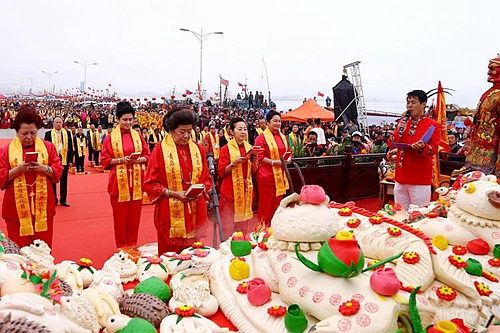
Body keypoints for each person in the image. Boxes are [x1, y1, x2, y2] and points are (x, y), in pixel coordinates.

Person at [143, 108, 211, 254]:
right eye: (182, 132)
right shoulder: (160, 150)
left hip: (194, 209)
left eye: (189, 131)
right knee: (170, 257)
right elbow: (150, 183)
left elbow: (206, 178)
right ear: (171, 130)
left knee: (194, 254)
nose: (186, 136)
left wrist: (201, 190)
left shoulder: (198, 149)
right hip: (169, 210)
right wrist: (173, 193)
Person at [0, 105, 63, 247]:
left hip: (43, 207)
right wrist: (18, 170)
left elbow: (58, 170)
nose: (29, 137)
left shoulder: (48, 148)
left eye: (33, 133)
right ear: (16, 132)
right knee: (19, 251)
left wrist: (43, 168)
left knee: (42, 251)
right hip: (15, 210)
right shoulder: (6, 151)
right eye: (24, 133)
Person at [100, 102, 150, 248]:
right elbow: (105, 160)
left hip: (136, 182)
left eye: (131, 120)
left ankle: (133, 245)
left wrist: (137, 159)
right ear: (117, 119)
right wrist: (122, 160)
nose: (128, 123)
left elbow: (147, 155)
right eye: (125, 120)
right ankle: (121, 247)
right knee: (120, 219)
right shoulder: (110, 138)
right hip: (118, 183)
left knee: (134, 218)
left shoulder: (138, 136)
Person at [387, 90, 440, 210]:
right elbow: (391, 144)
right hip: (400, 176)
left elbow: (434, 149)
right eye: (408, 102)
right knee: (400, 212)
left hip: (419, 177)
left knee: (418, 214)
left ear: (423, 104)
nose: (409, 105)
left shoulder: (433, 125)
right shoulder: (403, 122)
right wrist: (397, 131)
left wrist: (423, 147)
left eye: (413, 102)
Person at [218, 118, 259, 238]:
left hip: (245, 190)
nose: (243, 132)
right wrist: (234, 163)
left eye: (245, 129)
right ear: (231, 131)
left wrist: (255, 160)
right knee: (228, 224)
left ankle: (241, 245)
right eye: (239, 129)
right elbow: (221, 172)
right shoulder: (225, 149)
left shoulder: (250, 148)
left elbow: (254, 171)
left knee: (243, 225)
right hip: (229, 192)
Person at [463, 55, 500, 177]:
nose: (489, 72)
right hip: (477, 154)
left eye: (492, 68)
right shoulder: (491, 93)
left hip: (491, 157)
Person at [254, 110, 291, 228]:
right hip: (267, 176)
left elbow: (289, 151)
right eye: (275, 121)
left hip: (280, 175)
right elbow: (259, 157)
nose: (277, 124)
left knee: (277, 204)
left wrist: (288, 159)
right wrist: (274, 162)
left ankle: (274, 228)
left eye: (279, 121)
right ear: (268, 122)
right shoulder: (261, 138)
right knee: (265, 205)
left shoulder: (283, 137)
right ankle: (262, 230)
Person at [44, 116, 73, 207]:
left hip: (64, 159)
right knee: (53, 181)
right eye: (56, 122)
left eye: (60, 122)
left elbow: (71, 148)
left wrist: (70, 160)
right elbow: (45, 149)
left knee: (64, 181)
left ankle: (63, 199)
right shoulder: (48, 134)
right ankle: (54, 200)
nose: (58, 124)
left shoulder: (67, 133)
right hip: (53, 161)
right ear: (53, 123)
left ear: (62, 123)